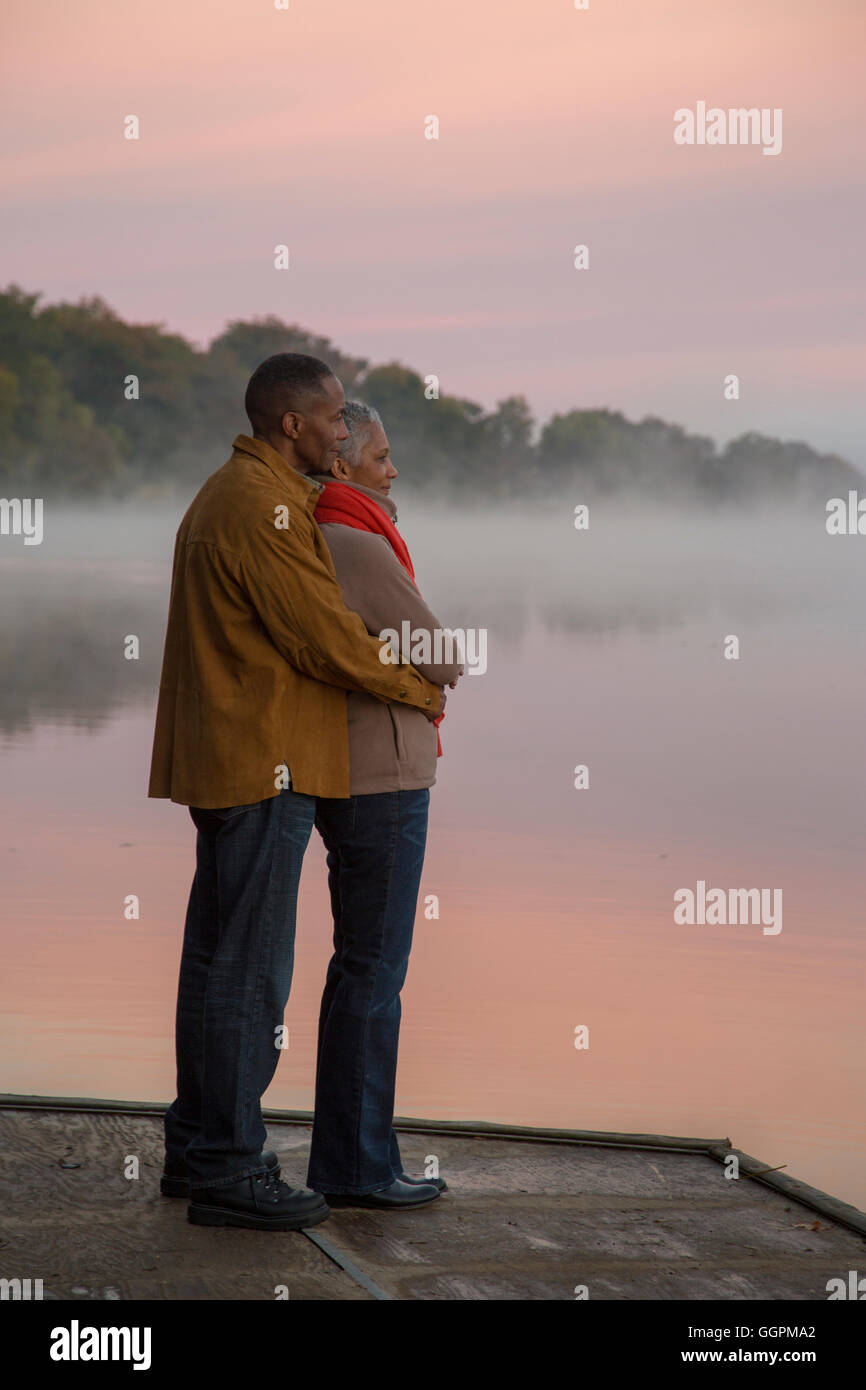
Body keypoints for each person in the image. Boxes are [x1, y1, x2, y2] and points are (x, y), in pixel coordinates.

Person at [148, 354, 445, 1231]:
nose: (340, 433)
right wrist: (418, 688)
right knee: (247, 975)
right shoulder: (267, 507)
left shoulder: (234, 494)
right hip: (265, 760)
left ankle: (199, 1151)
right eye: (331, 421)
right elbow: (327, 641)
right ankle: (233, 1171)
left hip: (237, 755)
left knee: (216, 962)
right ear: (293, 425)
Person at [304, 402, 462, 1209]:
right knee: (374, 972)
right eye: (383, 455)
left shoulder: (310, 529)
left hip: (341, 766)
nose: (393, 470)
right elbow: (445, 654)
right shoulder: (355, 541)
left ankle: (350, 1159)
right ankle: (358, 1168)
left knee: (356, 970)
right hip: (385, 776)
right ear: (343, 464)